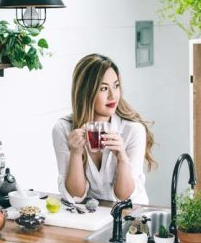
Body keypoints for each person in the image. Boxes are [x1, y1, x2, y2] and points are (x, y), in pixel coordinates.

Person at [52, 54, 156, 205]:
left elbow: (124, 197)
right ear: (85, 92)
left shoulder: (133, 130)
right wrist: (75, 154)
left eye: (116, 86)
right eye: (103, 88)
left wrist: (121, 156)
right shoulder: (63, 129)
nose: (113, 95)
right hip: (94, 217)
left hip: (132, 216)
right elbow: (75, 196)